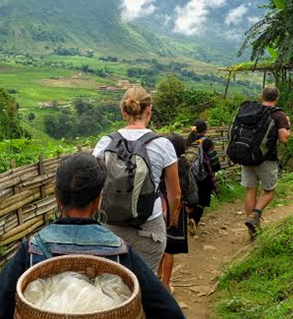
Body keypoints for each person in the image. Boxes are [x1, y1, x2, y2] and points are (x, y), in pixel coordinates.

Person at [0, 153, 191, 319]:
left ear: (57, 196)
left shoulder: (33, 250)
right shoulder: (120, 252)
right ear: (99, 199)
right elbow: (168, 314)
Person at [92, 87, 181, 272]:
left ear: (123, 112)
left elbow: (96, 187)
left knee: (113, 281)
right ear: (149, 109)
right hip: (149, 227)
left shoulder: (104, 143)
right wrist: (172, 217)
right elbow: (175, 194)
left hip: (110, 226)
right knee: (145, 283)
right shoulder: (163, 145)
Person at [239, 87, 291, 237]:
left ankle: (252, 231)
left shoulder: (251, 111)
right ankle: (255, 215)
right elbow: (284, 138)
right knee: (268, 191)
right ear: (277, 98)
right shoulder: (278, 114)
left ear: (262, 96)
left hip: (246, 157)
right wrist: (289, 126)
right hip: (266, 159)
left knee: (251, 191)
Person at [158, 133, 199, 292]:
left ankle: (158, 274)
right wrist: (190, 206)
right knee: (170, 249)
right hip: (177, 211)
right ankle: (166, 284)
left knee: (159, 243)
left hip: (157, 210)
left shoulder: (158, 163)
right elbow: (192, 192)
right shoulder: (184, 166)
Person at [185, 119, 221, 236]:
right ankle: (194, 220)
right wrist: (215, 168)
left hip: (190, 176)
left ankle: (190, 218)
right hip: (204, 176)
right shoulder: (207, 142)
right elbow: (213, 159)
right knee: (203, 200)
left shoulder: (189, 140)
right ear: (205, 130)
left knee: (192, 199)